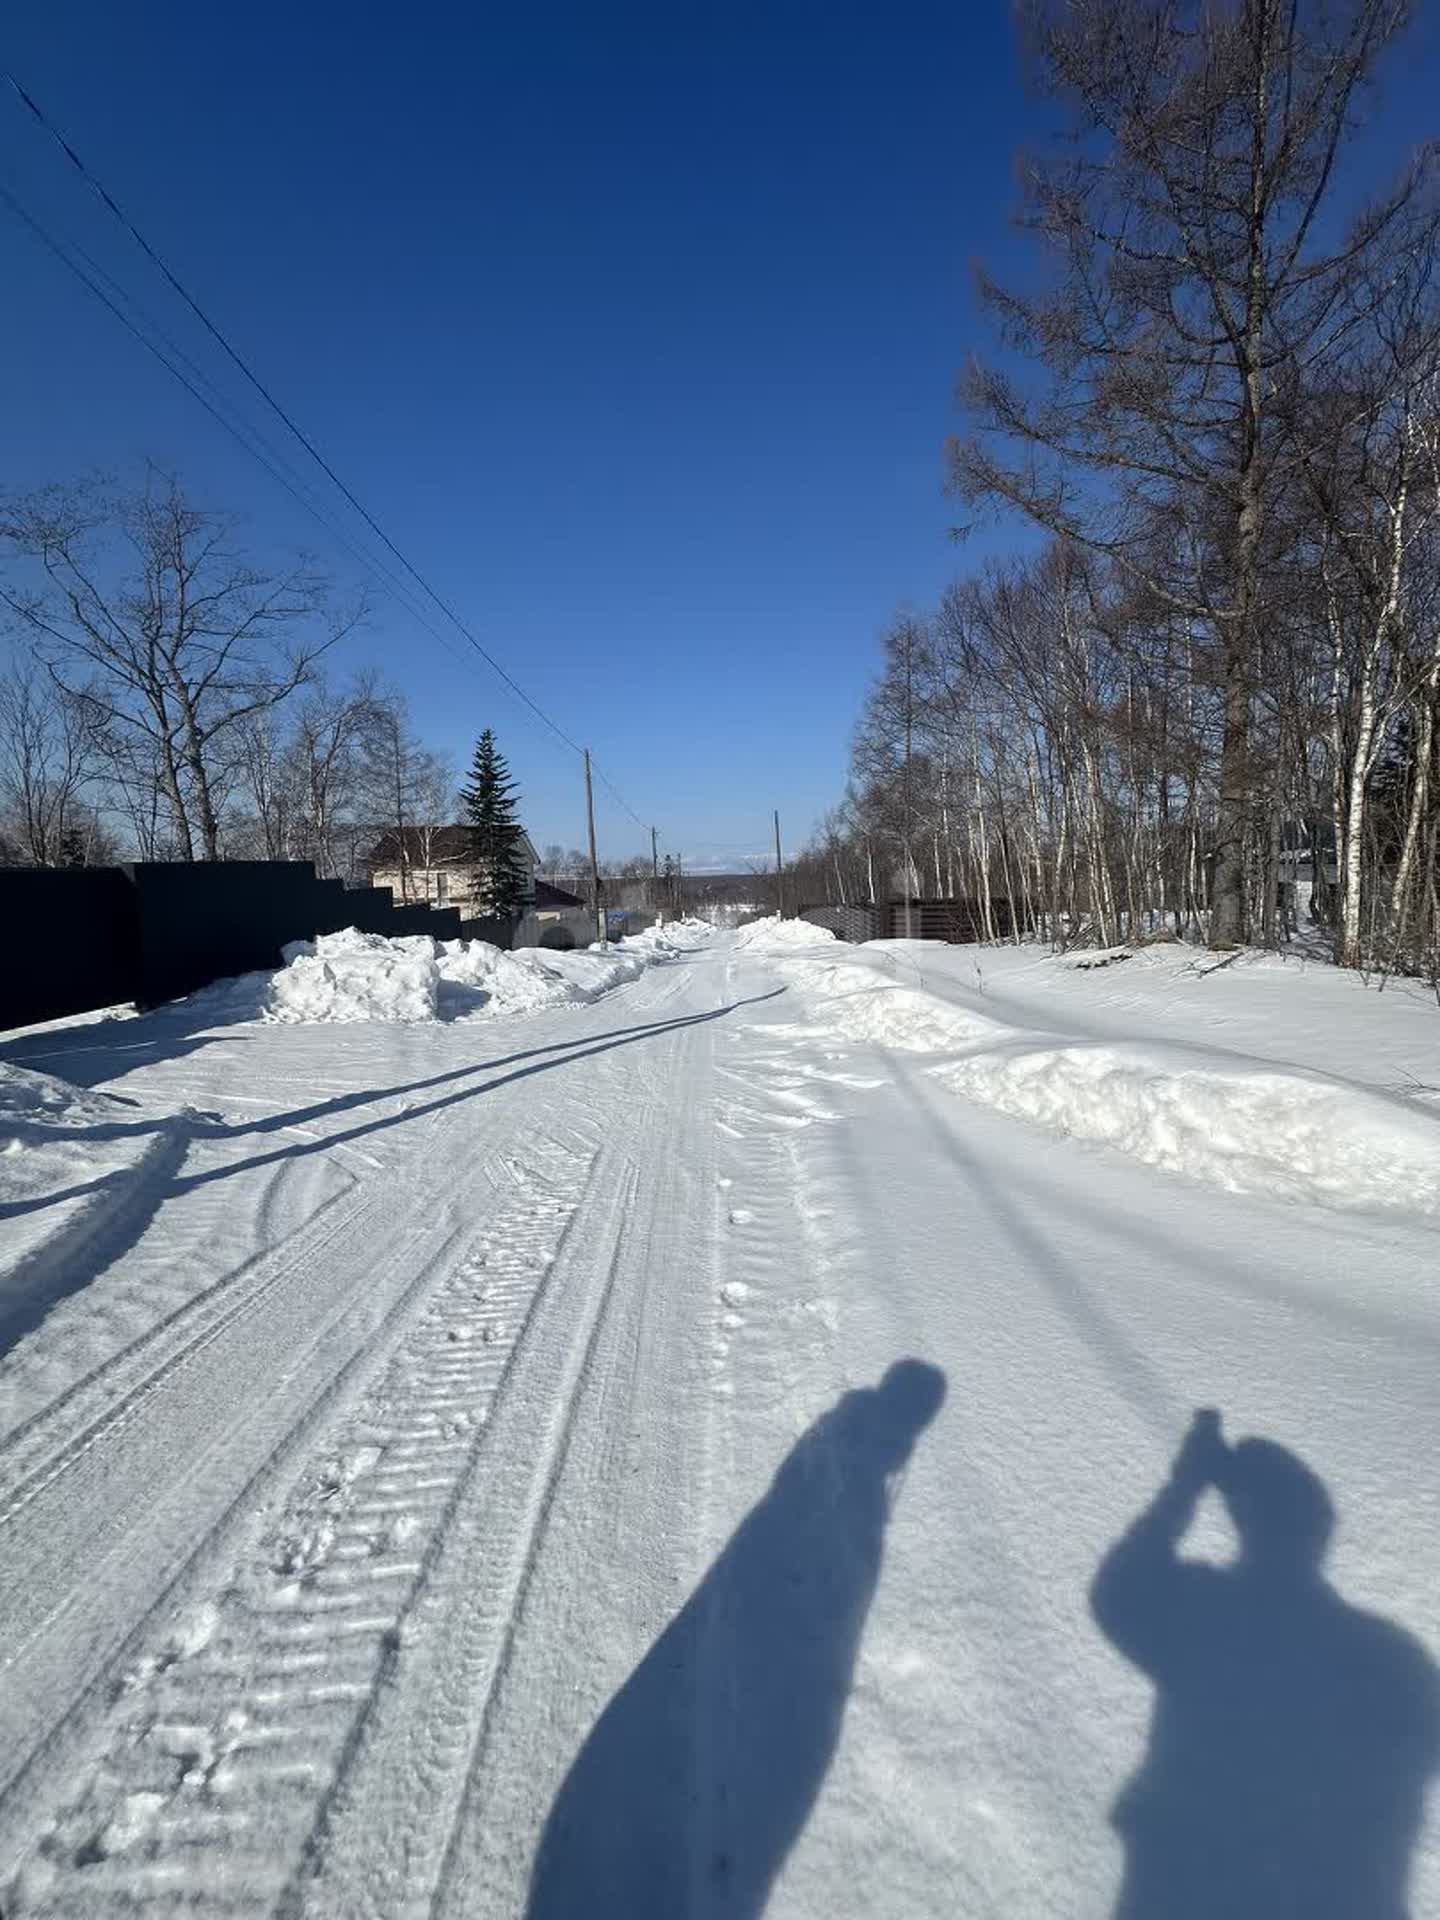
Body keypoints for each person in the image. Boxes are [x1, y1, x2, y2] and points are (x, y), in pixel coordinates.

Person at [1092, 1409, 1439, 1919]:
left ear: (1245, 1526)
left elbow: (1120, 1591)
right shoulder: (1393, 1658)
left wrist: (1185, 1486)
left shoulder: (1208, 1617)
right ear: (1319, 1536)